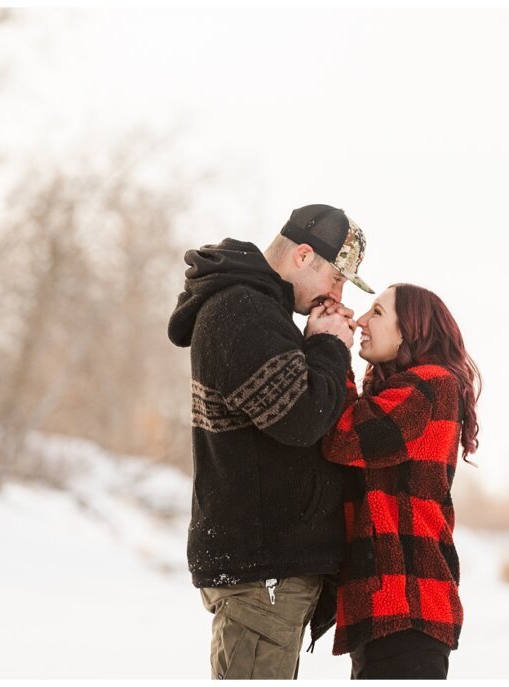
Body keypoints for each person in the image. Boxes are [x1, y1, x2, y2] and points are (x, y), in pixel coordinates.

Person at [166, 204, 374, 680]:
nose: (339, 295)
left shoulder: (260, 311)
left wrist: (314, 342)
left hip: (266, 568)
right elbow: (301, 419)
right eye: (337, 279)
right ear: (304, 256)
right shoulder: (243, 310)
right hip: (263, 569)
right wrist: (327, 345)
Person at [319, 283, 481, 680]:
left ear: (410, 329)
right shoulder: (406, 389)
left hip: (407, 606)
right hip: (392, 609)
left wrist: (331, 352)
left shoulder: (428, 385)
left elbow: (342, 437)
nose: (360, 321)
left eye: (376, 312)